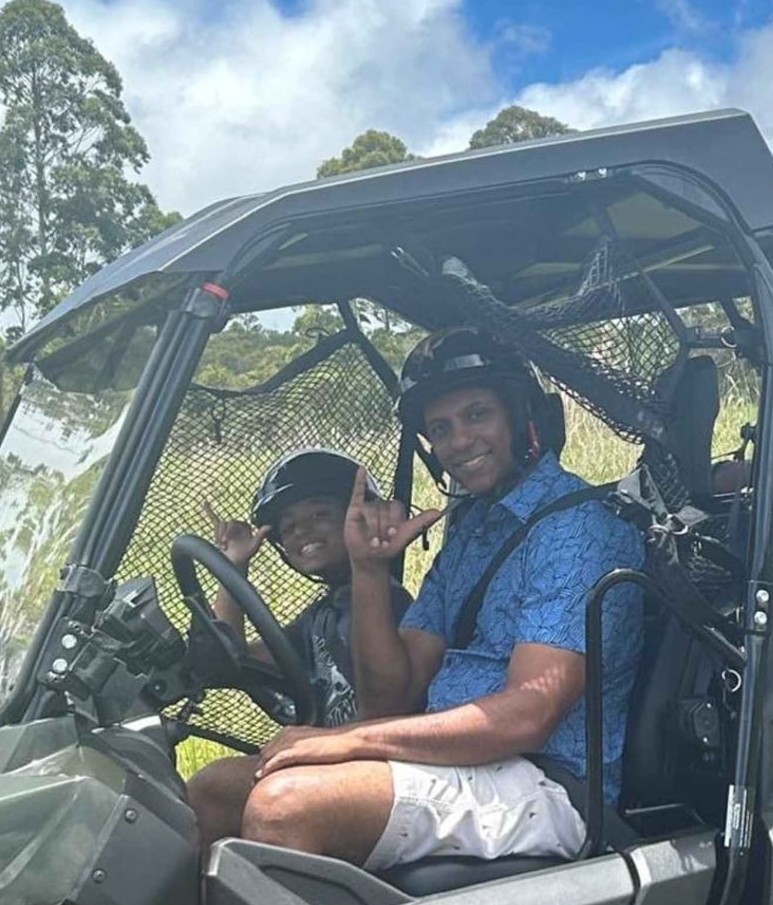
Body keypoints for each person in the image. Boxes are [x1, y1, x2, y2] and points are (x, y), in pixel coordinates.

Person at [224, 328, 644, 871]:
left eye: (476, 415)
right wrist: (369, 570)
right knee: (218, 788)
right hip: (466, 765)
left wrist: (348, 741)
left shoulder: (578, 529)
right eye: (440, 428)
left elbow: (528, 715)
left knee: (284, 806)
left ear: (518, 416)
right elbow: (390, 697)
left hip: (547, 781)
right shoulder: (472, 526)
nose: (458, 442)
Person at [188, 449, 412, 843]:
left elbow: (391, 704)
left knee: (211, 788)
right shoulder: (323, 614)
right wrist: (234, 566)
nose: (302, 532)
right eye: (288, 527)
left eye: (318, 516)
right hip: (333, 760)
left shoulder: (385, 603)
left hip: (375, 764)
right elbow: (230, 659)